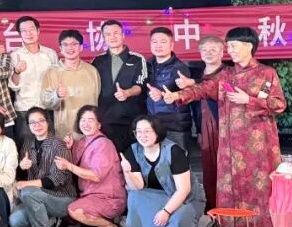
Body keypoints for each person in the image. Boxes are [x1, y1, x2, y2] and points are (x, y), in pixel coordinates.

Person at [165, 27, 285, 227]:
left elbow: (278, 104)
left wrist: (249, 100)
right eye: (229, 46)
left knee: (260, 187)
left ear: (249, 46)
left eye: (234, 46)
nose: (231, 51)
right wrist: (178, 95)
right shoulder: (226, 75)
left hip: (258, 145)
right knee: (231, 188)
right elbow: (203, 89)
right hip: (229, 145)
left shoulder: (266, 74)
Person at [122, 116, 203, 227]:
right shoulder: (133, 150)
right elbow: (138, 186)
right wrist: (127, 173)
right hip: (155, 197)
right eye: (139, 132)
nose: (142, 135)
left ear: (157, 131)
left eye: (147, 131)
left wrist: (166, 212)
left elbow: (184, 189)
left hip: (184, 199)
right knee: (135, 195)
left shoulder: (174, 151)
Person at [57, 106, 126, 227]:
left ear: (99, 124)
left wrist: (68, 165)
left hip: (108, 198)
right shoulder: (82, 142)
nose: (86, 124)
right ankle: (102, 225)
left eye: (91, 120)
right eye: (83, 120)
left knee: (75, 210)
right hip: (89, 195)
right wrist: (71, 148)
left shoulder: (104, 144)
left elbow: (95, 176)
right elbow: (77, 164)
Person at [9, 108, 76, 227]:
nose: (37, 125)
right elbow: (21, 175)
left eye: (41, 121)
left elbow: (53, 181)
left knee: (27, 191)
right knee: (15, 221)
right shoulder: (28, 143)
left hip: (61, 197)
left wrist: (26, 184)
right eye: (32, 122)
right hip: (38, 197)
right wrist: (21, 166)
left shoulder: (59, 145)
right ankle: (51, 220)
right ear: (28, 125)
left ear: (48, 122)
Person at [174, 35, 225, 209]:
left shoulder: (228, 73)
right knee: (209, 170)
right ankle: (213, 209)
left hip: (226, 128)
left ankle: (229, 210)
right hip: (204, 127)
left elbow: (212, 86)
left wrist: (192, 83)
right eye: (205, 50)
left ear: (222, 52)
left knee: (226, 171)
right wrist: (200, 130)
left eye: (213, 50)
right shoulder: (197, 74)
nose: (209, 53)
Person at [91, 19, 147, 155]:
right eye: (108, 34)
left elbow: (141, 85)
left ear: (123, 35)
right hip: (106, 120)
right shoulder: (97, 61)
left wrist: (127, 93)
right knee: (110, 158)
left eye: (116, 33)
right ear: (104, 38)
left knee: (133, 158)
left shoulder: (137, 59)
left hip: (132, 118)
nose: (112, 37)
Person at [40, 30, 101, 139]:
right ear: (60, 48)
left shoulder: (91, 71)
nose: (70, 48)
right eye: (65, 44)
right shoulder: (52, 72)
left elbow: (98, 98)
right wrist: (56, 95)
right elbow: (45, 102)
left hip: (90, 132)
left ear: (81, 47)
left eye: (74, 44)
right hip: (65, 132)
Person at [8, 16, 59, 137]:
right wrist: (17, 71)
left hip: (47, 109)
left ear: (38, 31)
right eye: (24, 31)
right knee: (26, 146)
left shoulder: (50, 54)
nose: (28, 33)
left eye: (31, 29)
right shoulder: (14, 56)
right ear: (20, 34)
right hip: (24, 110)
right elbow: (14, 87)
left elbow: (56, 81)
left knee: (49, 146)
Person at [144, 27, 193, 151]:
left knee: (178, 160)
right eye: (154, 42)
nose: (158, 45)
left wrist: (162, 94)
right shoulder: (146, 65)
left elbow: (189, 94)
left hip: (175, 126)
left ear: (171, 45)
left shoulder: (179, 67)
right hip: (153, 125)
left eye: (163, 42)